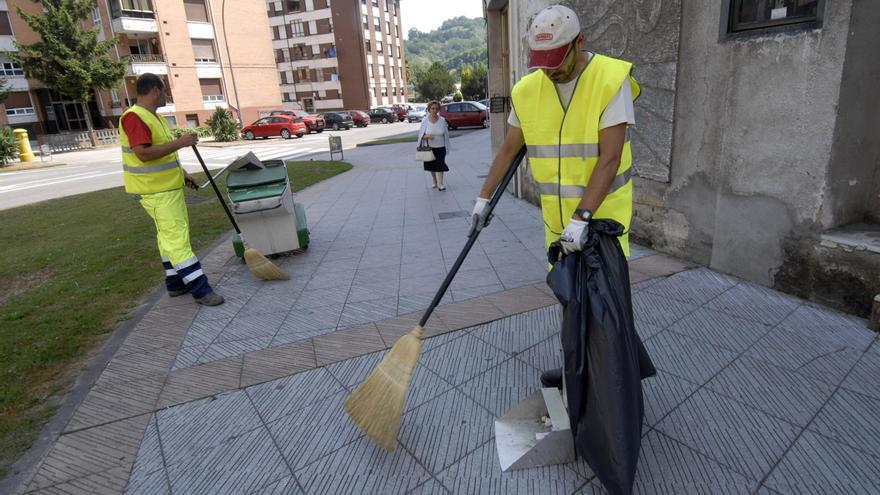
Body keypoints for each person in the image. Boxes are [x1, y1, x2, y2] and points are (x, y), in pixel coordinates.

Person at [471, 4, 638, 387]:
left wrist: (582, 218)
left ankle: (609, 385)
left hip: (602, 225)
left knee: (605, 308)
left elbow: (610, 157)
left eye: (555, 60)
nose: (548, 70)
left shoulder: (611, 79)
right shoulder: (528, 90)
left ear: (580, 41)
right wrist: (483, 198)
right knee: (568, 302)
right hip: (555, 227)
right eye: (541, 61)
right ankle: (575, 372)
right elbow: (509, 150)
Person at [120, 73, 224, 306]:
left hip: (164, 187)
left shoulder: (151, 117)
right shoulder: (135, 117)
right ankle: (201, 290)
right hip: (156, 192)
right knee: (177, 239)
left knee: (166, 237)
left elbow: (161, 154)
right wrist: (181, 142)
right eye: (165, 90)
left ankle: (175, 283)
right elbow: (143, 154)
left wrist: (182, 173)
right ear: (155, 90)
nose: (167, 95)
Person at [417, 100, 451, 191]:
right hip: (429, 148)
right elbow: (420, 136)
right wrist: (426, 136)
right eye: (432, 108)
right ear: (429, 109)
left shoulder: (442, 120)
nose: (434, 110)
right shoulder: (425, 121)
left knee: (440, 165)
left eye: (436, 108)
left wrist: (447, 146)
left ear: (439, 109)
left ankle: (440, 184)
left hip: (441, 147)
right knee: (432, 167)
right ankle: (434, 180)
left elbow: (446, 134)